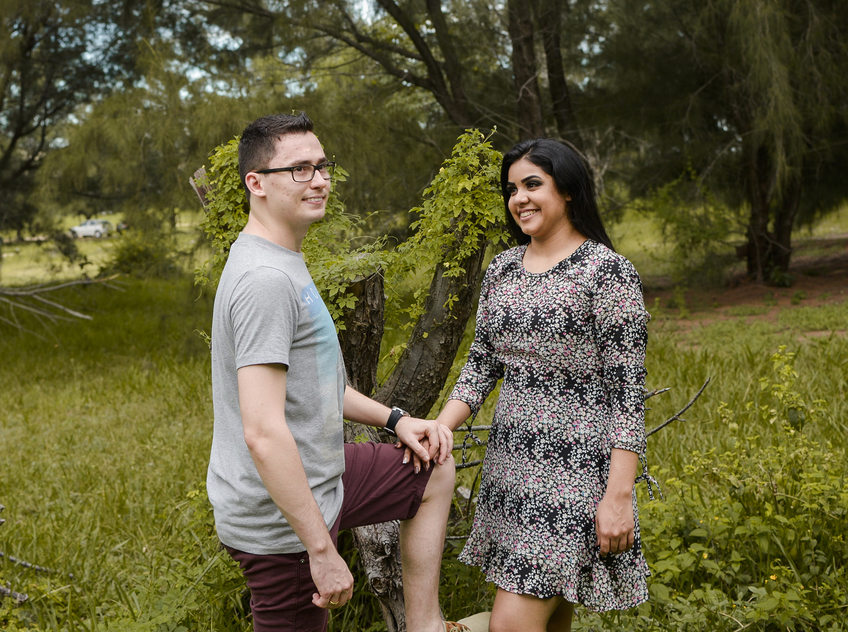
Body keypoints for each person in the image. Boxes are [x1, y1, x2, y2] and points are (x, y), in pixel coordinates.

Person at [207, 112, 459, 632]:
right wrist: (320, 549)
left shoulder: (281, 258)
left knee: (432, 465)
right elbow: (262, 430)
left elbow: (317, 384)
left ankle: (425, 625)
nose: (319, 179)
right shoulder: (264, 281)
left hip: (324, 478)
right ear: (256, 183)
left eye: (323, 166)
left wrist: (396, 420)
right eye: (299, 169)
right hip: (280, 524)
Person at [436, 138, 652, 632]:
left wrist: (618, 496)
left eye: (533, 184)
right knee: (550, 622)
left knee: (510, 624)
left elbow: (627, 395)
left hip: (575, 475)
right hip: (511, 468)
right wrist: (440, 428)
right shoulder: (503, 270)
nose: (519, 199)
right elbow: (481, 365)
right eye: (511, 189)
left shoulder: (607, 273)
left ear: (569, 189)